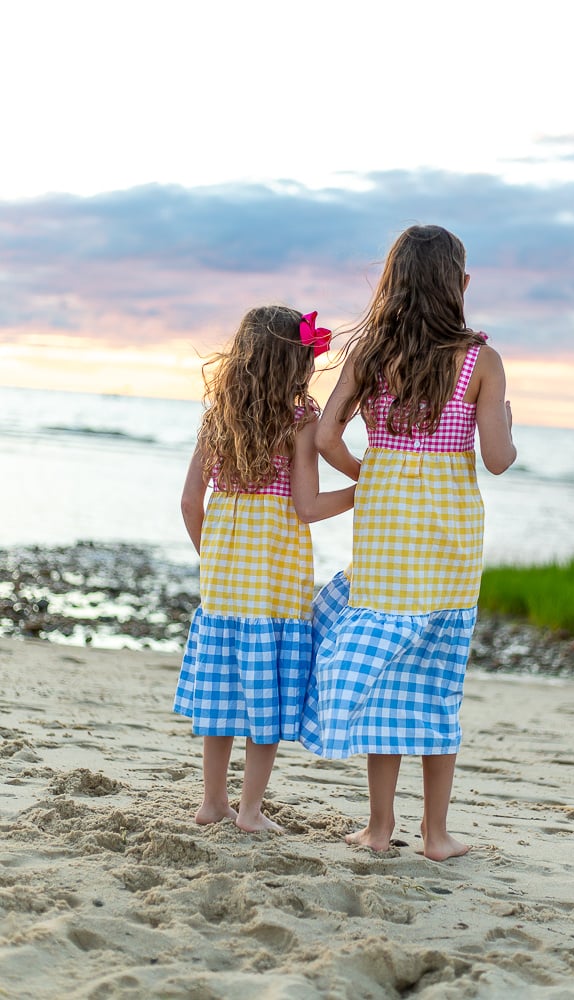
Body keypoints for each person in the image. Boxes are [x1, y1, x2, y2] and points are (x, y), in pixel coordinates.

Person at [300, 225, 516, 860]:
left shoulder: (371, 355)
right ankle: (436, 833)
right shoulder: (482, 360)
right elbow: (497, 460)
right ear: (462, 286)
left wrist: (376, 476)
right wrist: (504, 422)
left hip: (387, 538)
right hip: (451, 541)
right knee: (438, 680)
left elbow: (325, 437)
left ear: (391, 284)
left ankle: (377, 828)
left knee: (388, 678)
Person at [174, 305, 357, 833]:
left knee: (222, 690)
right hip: (275, 580)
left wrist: (214, 561)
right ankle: (250, 811)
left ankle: (212, 802)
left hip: (225, 582)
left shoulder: (217, 415)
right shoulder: (300, 421)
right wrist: (366, 487)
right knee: (266, 693)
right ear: (294, 363)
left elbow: (190, 504)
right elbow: (307, 507)